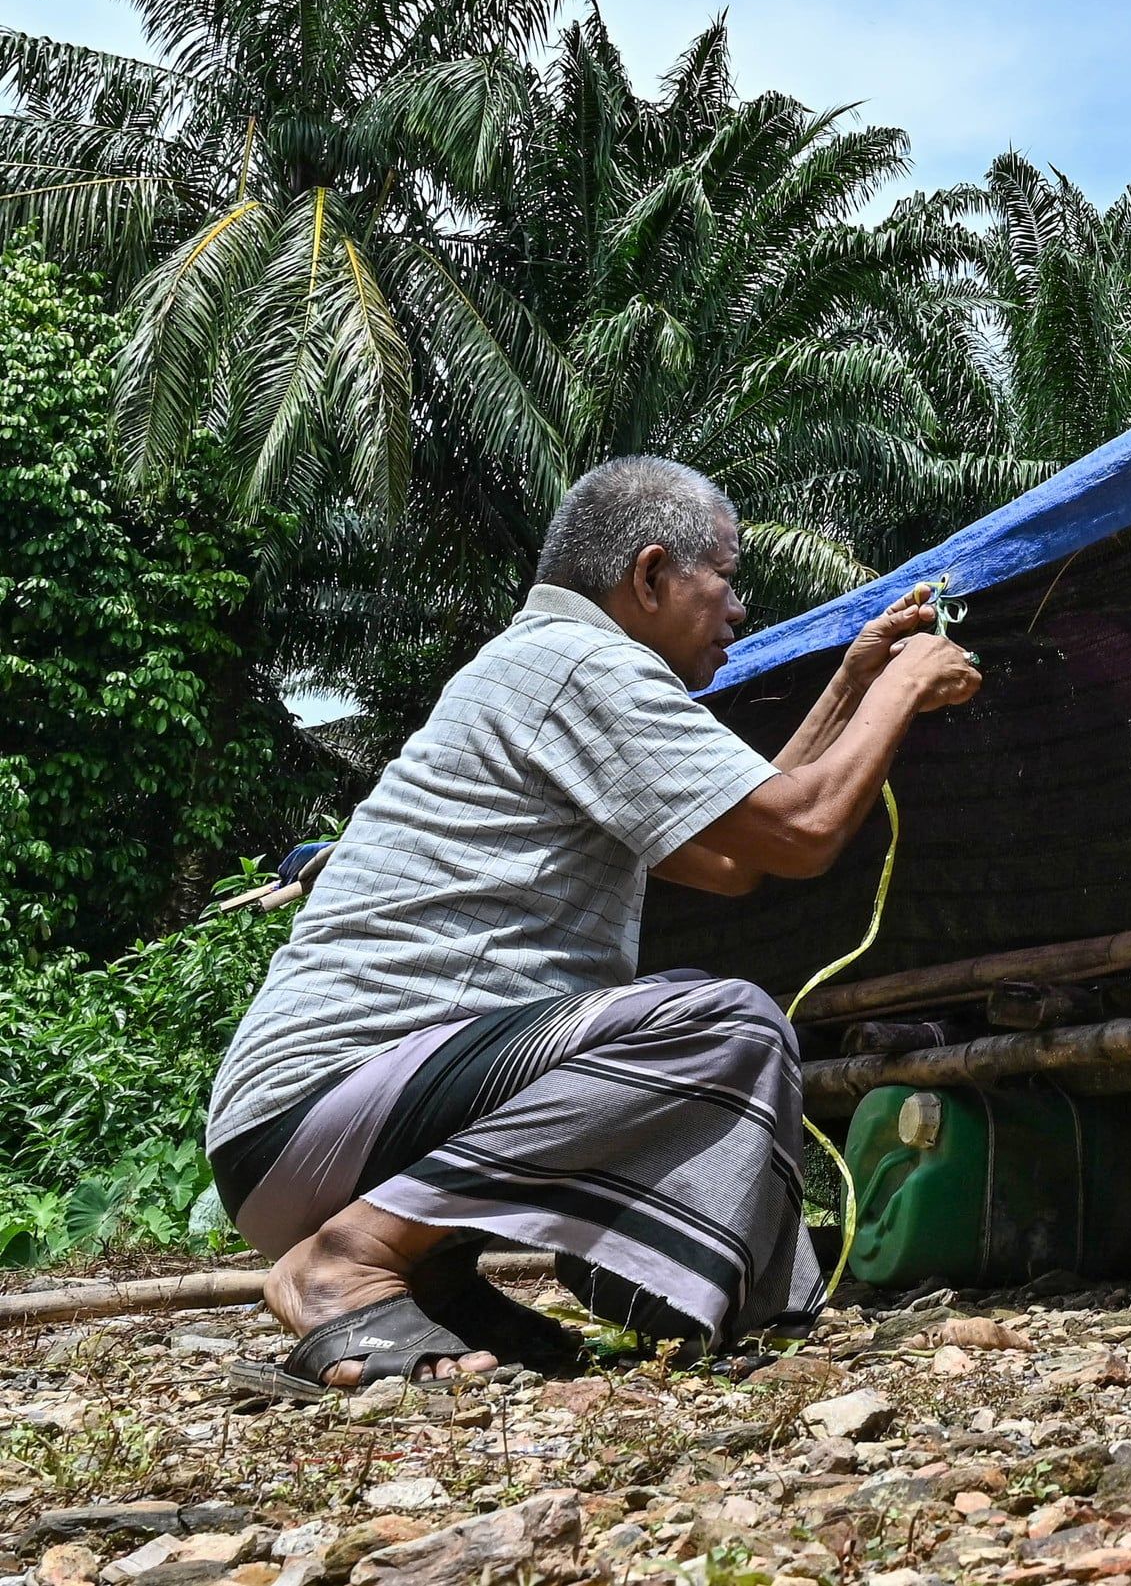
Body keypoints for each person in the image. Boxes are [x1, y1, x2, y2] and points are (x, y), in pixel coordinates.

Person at [203, 456, 981, 1390]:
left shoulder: (547, 664)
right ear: (650, 575)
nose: (737, 609)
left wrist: (854, 681)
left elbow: (736, 858)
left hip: (291, 1135)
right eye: (725, 578)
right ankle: (347, 1262)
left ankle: (426, 1277)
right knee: (725, 1023)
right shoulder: (583, 664)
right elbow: (804, 829)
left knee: (678, 1032)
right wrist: (903, 691)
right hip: (320, 1115)